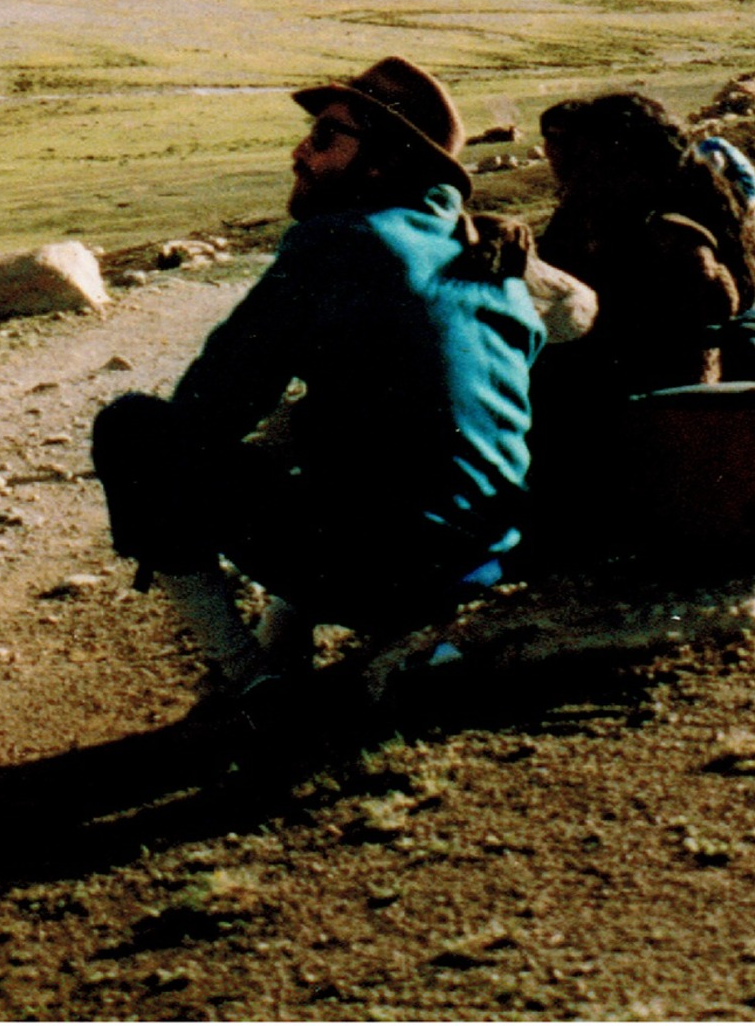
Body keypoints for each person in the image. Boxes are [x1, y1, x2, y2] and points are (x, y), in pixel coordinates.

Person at [92, 56, 542, 704]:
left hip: (386, 569)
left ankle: (247, 679)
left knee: (135, 431)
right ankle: (283, 641)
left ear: (382, 163)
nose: (299, 151)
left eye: (326, 137)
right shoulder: (491, 261)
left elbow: (206, 412)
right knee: (323, 435)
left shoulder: (340, 240)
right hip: (487, 559)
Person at [530, 92, 755, 396]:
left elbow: (693, 365)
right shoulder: (607, 225)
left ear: (620, 161)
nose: (572, 167)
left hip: (646, 415)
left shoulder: (671, 240)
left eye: (585, 155)